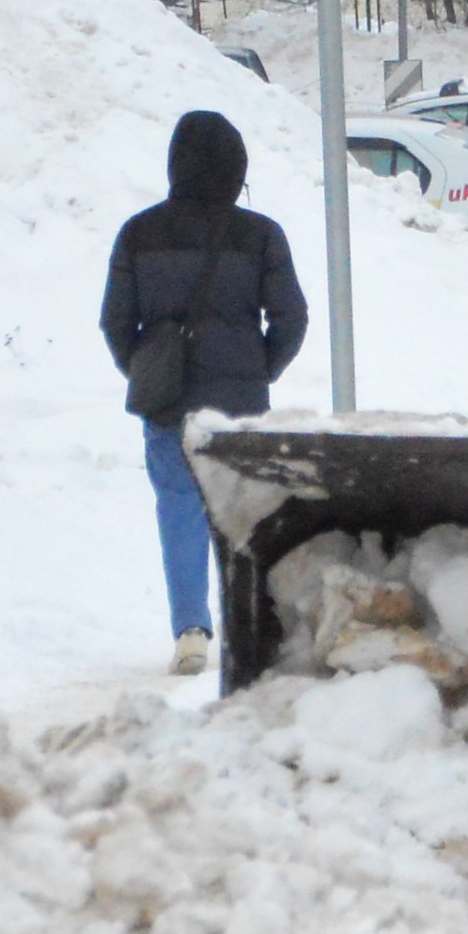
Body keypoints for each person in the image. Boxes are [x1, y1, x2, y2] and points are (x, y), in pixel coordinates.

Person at [100, 109, 307, 674]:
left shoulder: (138, 233)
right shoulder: (260, 234)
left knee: (178, 503)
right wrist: (260, 368)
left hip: (168, 402)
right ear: (237, 168)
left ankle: (191, 629)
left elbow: (115, 322)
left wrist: (145, 369)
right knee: (244, 510)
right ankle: (253, 626)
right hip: (240, 405)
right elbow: (291, 316)